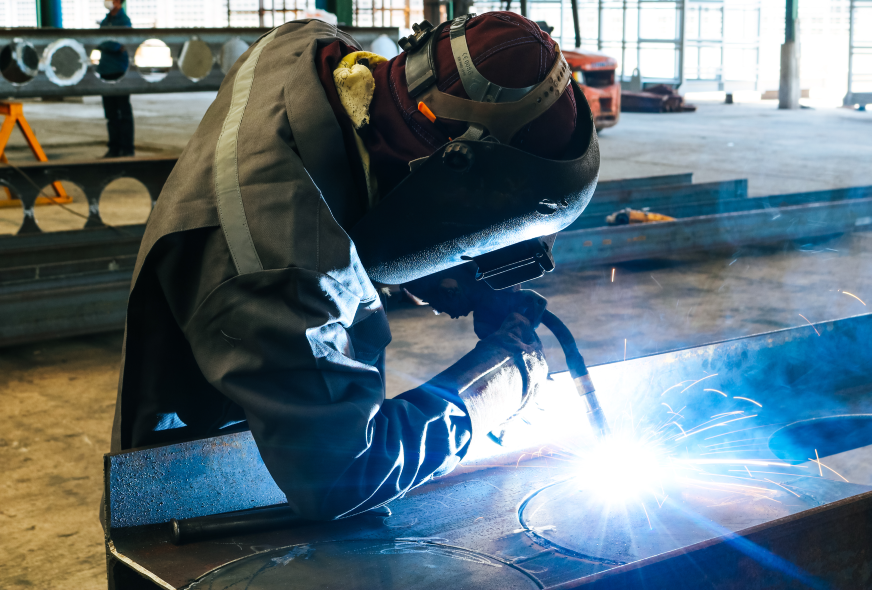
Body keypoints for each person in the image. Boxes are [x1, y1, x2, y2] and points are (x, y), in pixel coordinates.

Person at [109, 13, 597, 524]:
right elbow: (345, 474)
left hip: (272, 408)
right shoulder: (281, 279)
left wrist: (439, 264)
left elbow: (359, 168)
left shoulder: (304, 48)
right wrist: (501, 382)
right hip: (206, 499)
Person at [96, 0, 134, 157]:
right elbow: (99, 41)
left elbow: (117, 45)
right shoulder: (106, 20)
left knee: (123, 112)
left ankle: (127, 149)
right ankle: (114, 148)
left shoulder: (124, 21)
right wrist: (107, 43)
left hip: (119, 70)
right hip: (105, 70)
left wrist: (104, 43)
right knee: (110, 113)